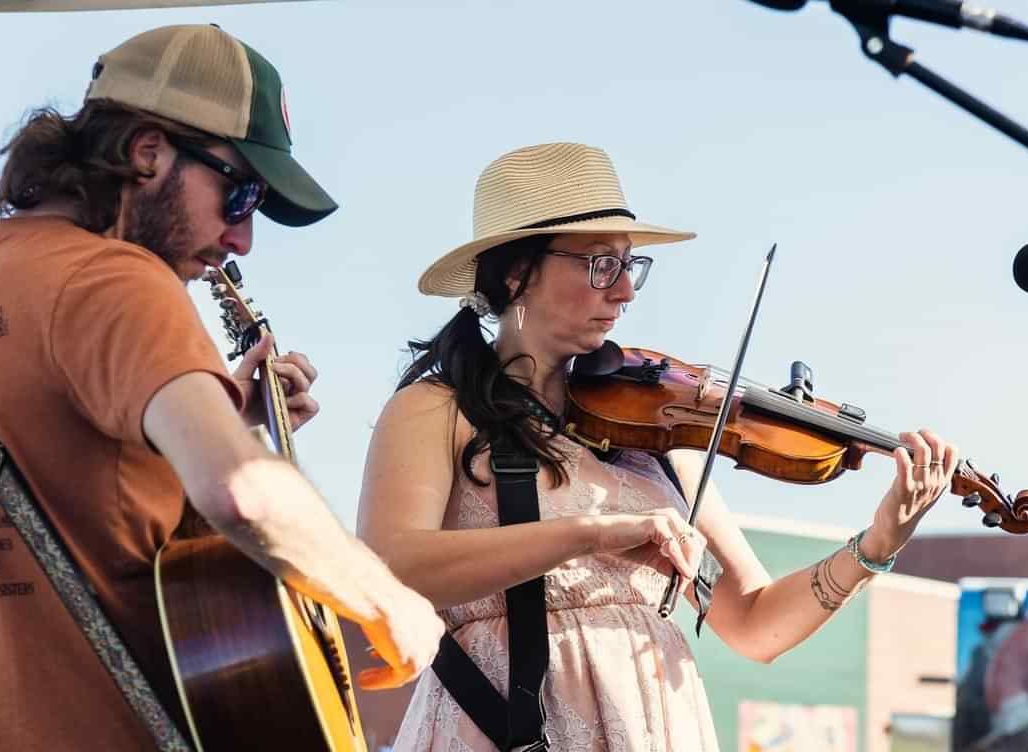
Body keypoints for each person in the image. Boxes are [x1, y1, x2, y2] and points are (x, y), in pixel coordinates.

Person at [356, 142, 958, 751]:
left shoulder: (662, 439)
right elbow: (389, 568)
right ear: (517, 273)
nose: (625, 293)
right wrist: (590, 533)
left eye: (629, 265)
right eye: (600, 265)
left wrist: (879, 543)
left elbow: (755, 626)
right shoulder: (438, 408)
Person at [0, 24, 442, 750]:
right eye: (241, 194)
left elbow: (72, 482)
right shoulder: (117, 279)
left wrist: (222, 409)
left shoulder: (0, 271)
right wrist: (387, 599)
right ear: (148, 151)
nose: (243, 239)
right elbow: (242, 492)